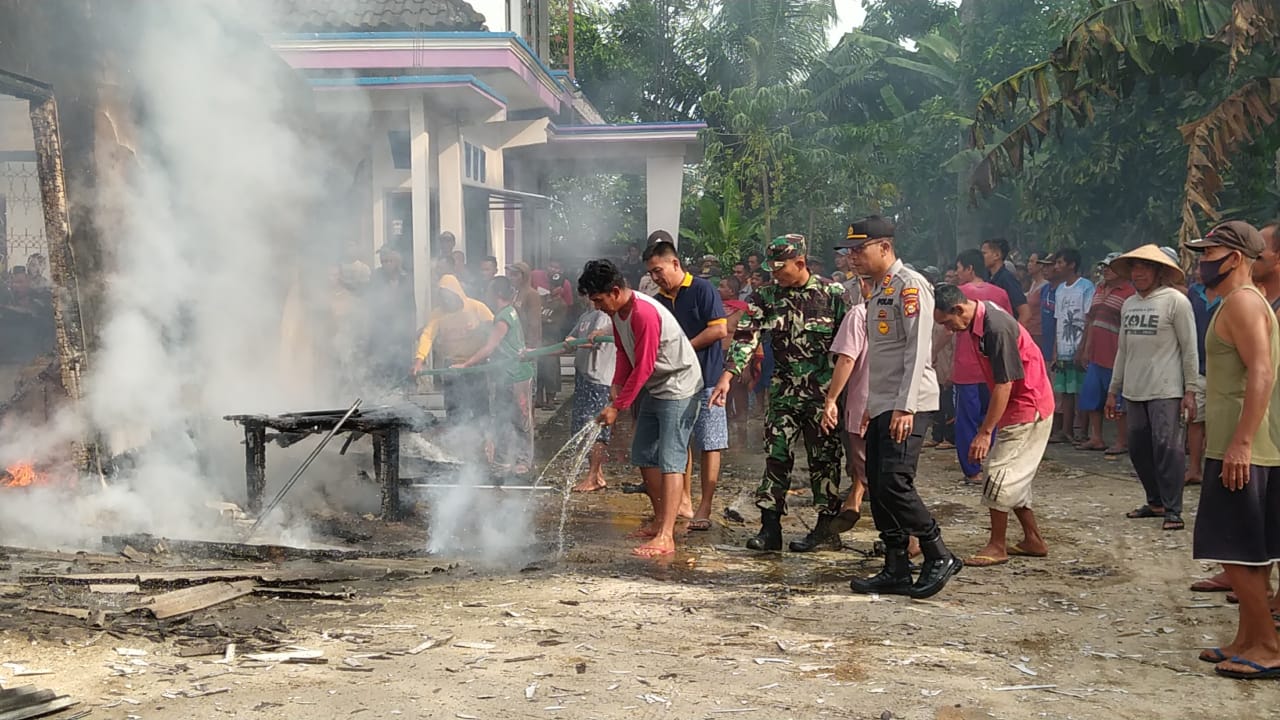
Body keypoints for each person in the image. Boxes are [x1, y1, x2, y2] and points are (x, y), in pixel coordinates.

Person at [841, 216, 961, 599]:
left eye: (860, 250)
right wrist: (872, 405)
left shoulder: (910, 287)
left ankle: (937, 552)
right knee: (876, 483)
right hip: (883, 403)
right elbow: (881, 356)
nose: (853, 257)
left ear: (885, 247)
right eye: (851, 251)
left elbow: (915, 351)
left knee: (895, 481)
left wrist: (905, 408)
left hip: (909, 404)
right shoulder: (877, 290)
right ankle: (895, 565)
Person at [1184, 221, 1280, 679]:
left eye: (1211, 253)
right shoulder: (1236, 302)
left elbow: (1261, 371)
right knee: (1247, 552)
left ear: (1236, 258)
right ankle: (1247, 638)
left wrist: (1241, 442)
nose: (1203, 261)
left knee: (1236, 549)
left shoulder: (1241, 303)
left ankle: (1266, 645)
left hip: (1243, 445)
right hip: (1239, 442)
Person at [711, 234, 847, 553]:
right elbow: (746, 336)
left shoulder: (833, 294)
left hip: (822, 396)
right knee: (776, 457)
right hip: (783, 393)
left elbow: (850, 348)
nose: (776, 275)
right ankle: (770, 528)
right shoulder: (766, 296)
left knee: (825, 459)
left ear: (800, 262)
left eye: (781, 268)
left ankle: (827, 529)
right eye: (772, 269)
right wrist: (728, 376)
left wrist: (846, 397)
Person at [580, 260, 702, 558]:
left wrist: (618, 407)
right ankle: (659, 519)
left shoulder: (643, 313)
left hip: (679, 386)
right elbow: (623, 352)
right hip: (655, 386)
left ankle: (666, 535)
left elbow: (645, 365)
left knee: (670, 458)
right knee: (644, 453)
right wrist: (616, 384)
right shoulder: (618, 313)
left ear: (615, 291)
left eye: (598, 300)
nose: (597, 307)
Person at [933, 283, 1053, 566]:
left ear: (959, 309)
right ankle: (1033, 539)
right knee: (1013, 475)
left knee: (998, 472)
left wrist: (985, 432)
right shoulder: (980, 315)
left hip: (1028, 403)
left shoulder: (995, 328)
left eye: (948, 322)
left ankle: (997, 545)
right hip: (1021, 400)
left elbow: (1004, 383)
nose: (949, 330)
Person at [1105, 245, 1198, 531]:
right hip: (1134, 389)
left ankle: (1173, 510)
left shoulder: (1175, 302)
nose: (1139, 273)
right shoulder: (1129, 304)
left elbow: (1189, 348)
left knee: (1167, 448)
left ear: (1159, 272)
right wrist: (1113, 389)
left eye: (1145, 267)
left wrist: (1190, 390)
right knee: (1138, 448)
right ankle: (1155, 500)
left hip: (1165, 389)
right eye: (1134, 268)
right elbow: (1122, 349)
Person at [646, 238, 729, 531]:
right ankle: (683, 499)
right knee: (681, 442)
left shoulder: (702, 289)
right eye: (651, 273)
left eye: (658, 271)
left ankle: (705, 505)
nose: (656, 278)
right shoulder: (657, 301)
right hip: (676, 384)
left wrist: (684, 350)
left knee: (709, 442)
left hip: (707, 379)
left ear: (675, 263)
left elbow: (719, 329)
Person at [452, 276, 535, 474]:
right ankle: (503, 460)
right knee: (503, 417)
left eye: (489, 290)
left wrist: (466, 364)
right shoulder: (508, 312)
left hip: (516, 376)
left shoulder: (504, 316)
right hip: (505, 375)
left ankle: (523, 460)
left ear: (497, 293)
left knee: (520, 419)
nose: (486, 294)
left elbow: (490, 347)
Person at [952, 249, 1013, 485]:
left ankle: (972, 469)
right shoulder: (1000, 293)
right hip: (993, 366)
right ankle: (990, 462)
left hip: (966, 365)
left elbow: (947, 332)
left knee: (966, 419)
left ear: (969, 269)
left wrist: (934, 354)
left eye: (959, 268)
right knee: (992, 416)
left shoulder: (959, 294)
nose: (957, 274)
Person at [821, 273, 872, 535]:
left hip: (862, 401)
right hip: (897, 405)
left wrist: (831, 398)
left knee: (866, 465)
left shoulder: (859, 314)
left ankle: (910, 539)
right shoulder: (902, 316)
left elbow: (846, 359)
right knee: (892, 470)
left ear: (863, 286)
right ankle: (856, 495)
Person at [412, 275, 495, 426]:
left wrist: (478, 330)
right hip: (451, 366)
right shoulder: (437, 314)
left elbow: (495, 328)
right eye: (443, 297)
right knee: (454, 408)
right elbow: (427, 336)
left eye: (449, 296)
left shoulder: (476, 307)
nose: (446, 301)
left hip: (476, 365)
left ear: (457, 293)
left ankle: (485, 441)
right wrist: (419, 360)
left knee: (480, 406)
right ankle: (456, 440)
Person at [1077, 253, 1134, 454]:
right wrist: (1086, 347)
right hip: (1096, 354)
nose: (1106, 270)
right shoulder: (1099, 289)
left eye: (1110, 267)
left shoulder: (1129, 293)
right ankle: (1097, 437)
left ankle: (1122, 440)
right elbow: (1091, 320)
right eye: (1104, 267)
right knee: (1092, 397)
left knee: (1117, 399)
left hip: (1115, 353)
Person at [566, 295, 617, 493]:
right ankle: (596, 474)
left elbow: (593, 342)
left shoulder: (603, 316)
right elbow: (569, 341)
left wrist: (574, 343)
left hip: (599, 378)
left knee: (597, 427)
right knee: (584, 426)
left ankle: (594, 475)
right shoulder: (586, 315)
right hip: (583, 376)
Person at [1049, 249, 1094, 444]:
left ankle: (1082, 431)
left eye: (1060, 262)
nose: (1056, 266)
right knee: (1065, 391)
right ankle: (1066, 430)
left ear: (1071, 265)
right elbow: (1058, 320)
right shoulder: (1059, 290)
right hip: (1063, 345)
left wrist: (1083, 348)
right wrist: (1055, 349)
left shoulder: (1086, 287)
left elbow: (1089, 319)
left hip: (1078, 344)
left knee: (1080, 390)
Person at [367, 246, 416, 390]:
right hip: (381, 330)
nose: (387, 264)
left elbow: (412, 307)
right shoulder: (376, 277)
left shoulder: (405, 279)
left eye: (390, 261)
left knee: (401, 364)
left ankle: (403, 392)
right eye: (384, 261)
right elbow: (369, 304)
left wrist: (411, 330)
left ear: (396, 262)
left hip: (401, 332)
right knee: (382, 365)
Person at [719, 277, 751, 423]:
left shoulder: (743, 310)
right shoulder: (716, 308)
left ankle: (742, 434)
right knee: (721, 397)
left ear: (731, 291)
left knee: (739, 396)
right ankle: (727, 438)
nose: (718, 289)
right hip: (719, 357)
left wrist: (746, 367)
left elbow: (749, 339)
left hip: (737, 355)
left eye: (722, 286)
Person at [982, 238, 1030, 324]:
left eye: (984, 253)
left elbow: (1025, 313)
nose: (981, 257)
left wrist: (1015, 335)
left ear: (997, 255)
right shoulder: (987, 278)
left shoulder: (1007, 279)